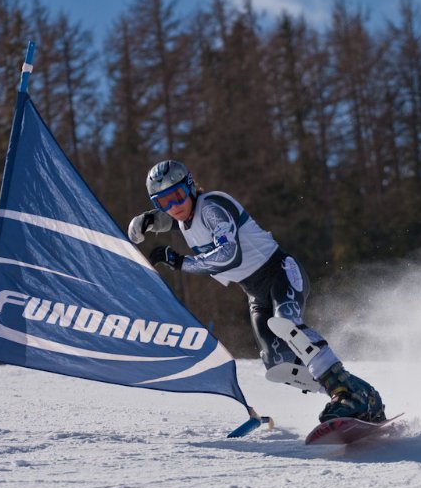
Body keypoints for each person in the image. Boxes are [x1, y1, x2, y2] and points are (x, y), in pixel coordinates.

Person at [127, 160, 386, 423]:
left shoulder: (212, 207)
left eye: (178, 196)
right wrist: (147, 220)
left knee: (289, 326)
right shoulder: (185, 218)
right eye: (163, 202)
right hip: (255, 293)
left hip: (279, 273)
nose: (174, 206)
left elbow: (230, 255)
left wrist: (182, 262)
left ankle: (348, 394)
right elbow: (175, 220)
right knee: (278, 365)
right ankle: (353, 395)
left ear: (191, 186)